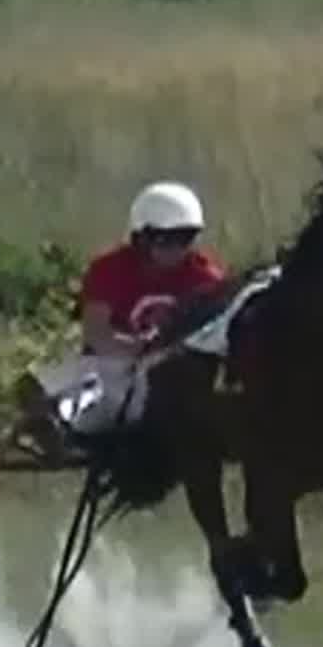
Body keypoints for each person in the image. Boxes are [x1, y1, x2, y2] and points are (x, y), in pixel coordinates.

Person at [30, 179, 230, 446]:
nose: (176, 249)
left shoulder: (205, 278)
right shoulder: (109, 270)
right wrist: (141, 349)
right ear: (141, 238)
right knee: (82, 384)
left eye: (186, 239)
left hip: (176, 372)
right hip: (115, 364)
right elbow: (97, 335)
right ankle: (56, 426)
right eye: (165, 239)